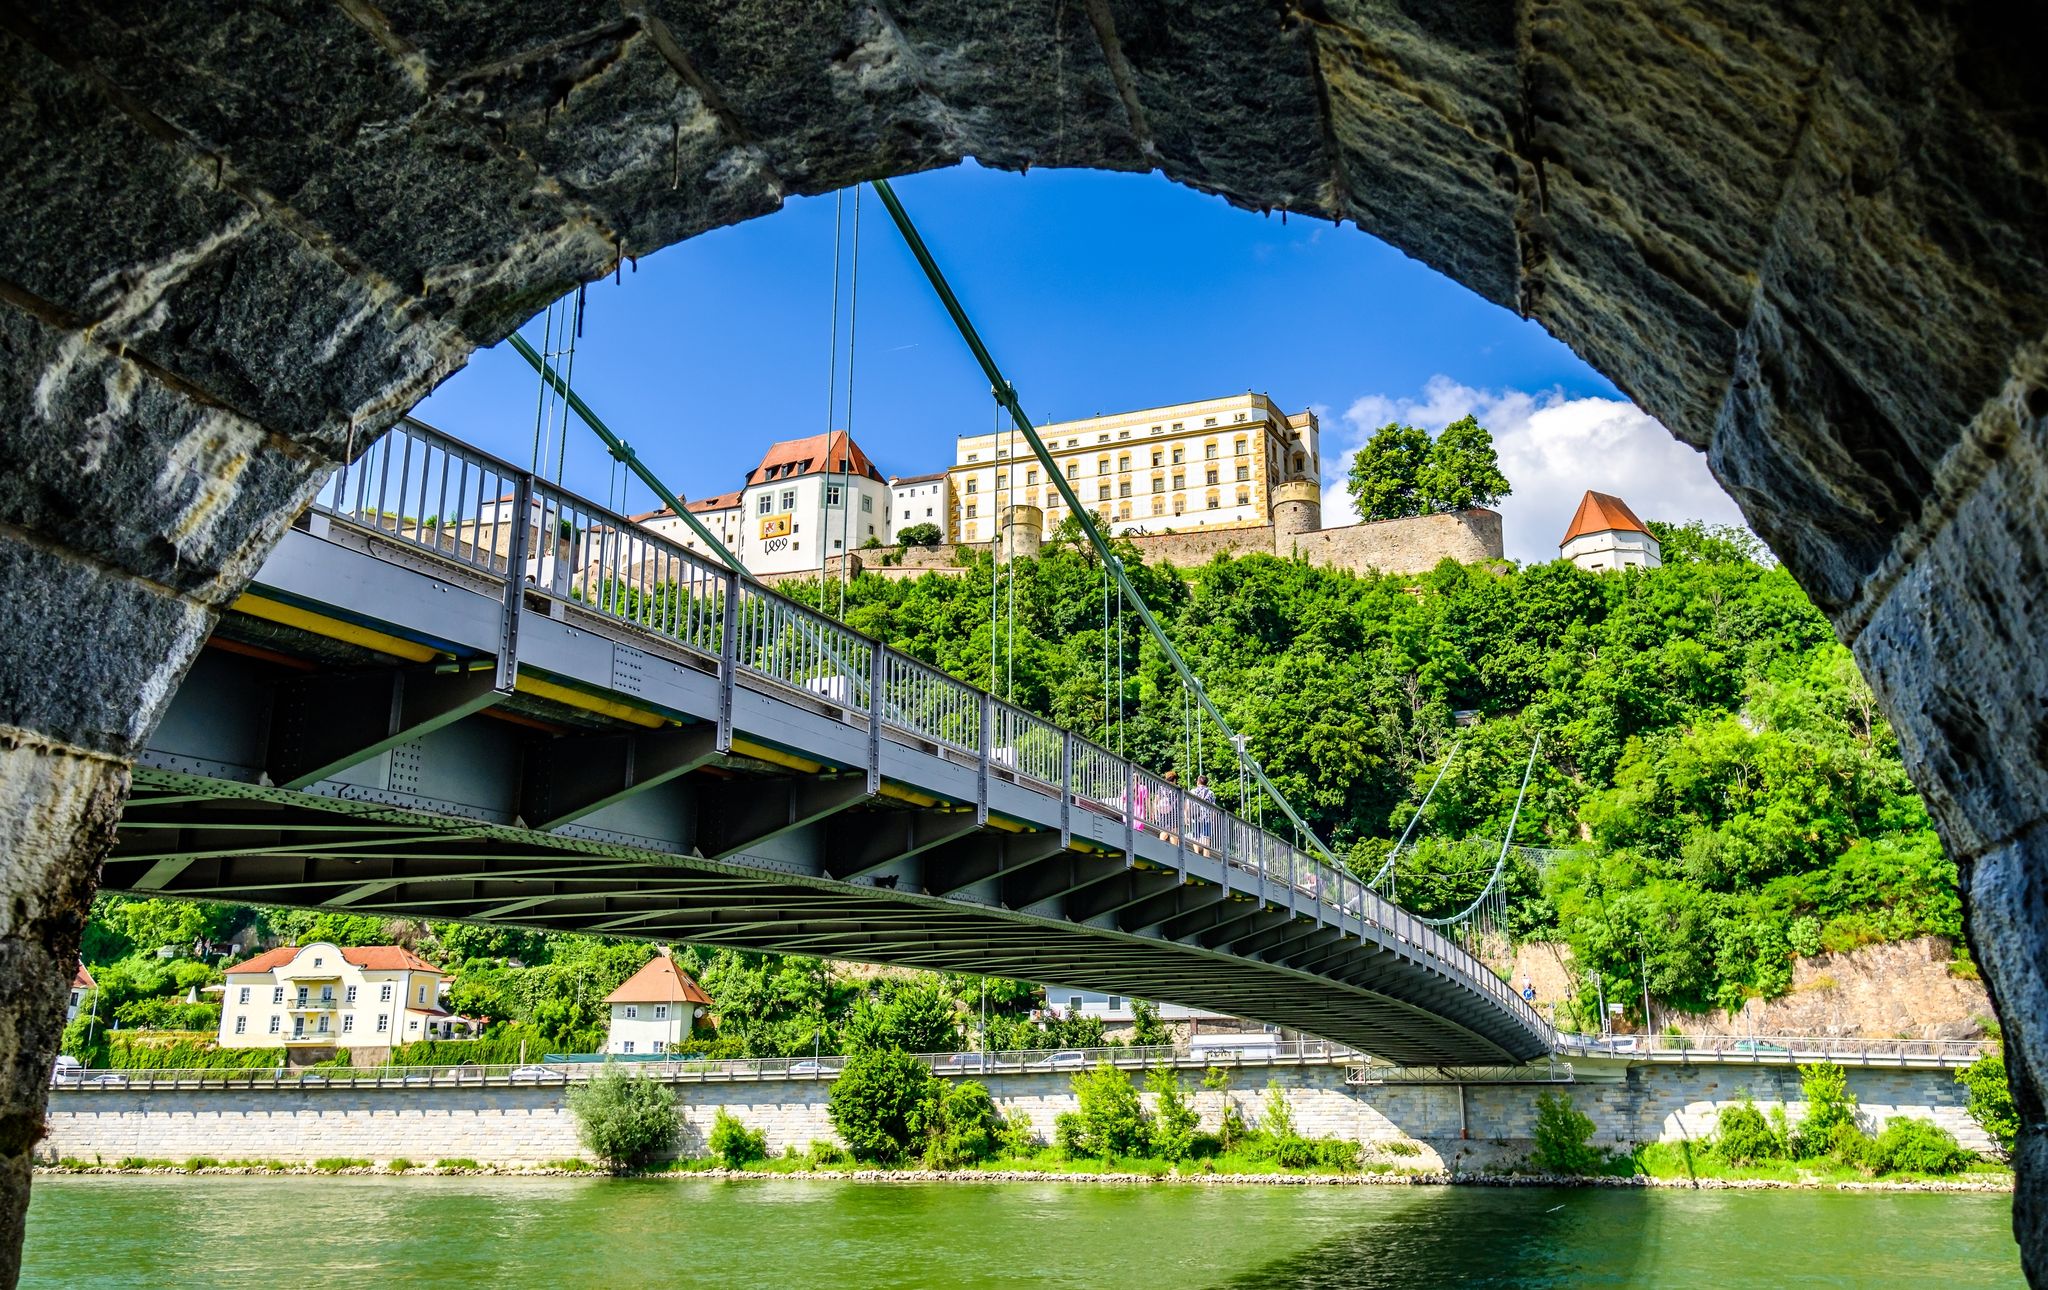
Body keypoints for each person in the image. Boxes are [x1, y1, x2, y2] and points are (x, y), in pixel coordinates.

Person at [1191, 774, 1217, 854]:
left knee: (1196, 835)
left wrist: (1186, 816)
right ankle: (1206, 855)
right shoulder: (1211, 793)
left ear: (1198, 782)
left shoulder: (1193, 791)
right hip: (1207, 817)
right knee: (1206, 836)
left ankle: (1196, 852)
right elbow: (1213, 807)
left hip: (1196, 816)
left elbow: (1188, 804)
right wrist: (1213, 818)